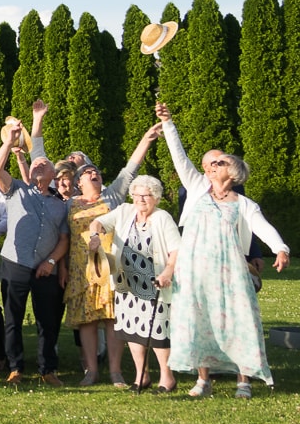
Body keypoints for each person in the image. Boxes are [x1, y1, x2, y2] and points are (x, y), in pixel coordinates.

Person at [155, 102, 290, 397]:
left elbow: (263, 227)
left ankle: (244, 381)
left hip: (230, 272)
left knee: (239, 322)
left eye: (219, 163)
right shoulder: (196, 188)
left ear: (234, 171)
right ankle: (203, 381)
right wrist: (167, 122)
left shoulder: (243, 204)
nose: (211, 166)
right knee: (198, 321)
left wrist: (280, 248)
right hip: (194, 272)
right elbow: (179, 156)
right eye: (212, 164)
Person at [61, 124, 159, 386]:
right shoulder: (69, 204)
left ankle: (116, 371)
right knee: (87, 321)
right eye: (86, 173)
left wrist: (146, 139)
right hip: (81, 269)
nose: (92, 173)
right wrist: (61, 267)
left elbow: (130, 169)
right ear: (78, 183)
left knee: (113, 318)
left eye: (95, 171)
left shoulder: (113, 196)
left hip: (112, 267)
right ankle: (91, 371)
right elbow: (63, 238)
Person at [0, 110, 71, 387]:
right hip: (15, 263)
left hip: (44, 268)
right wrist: (10, 141)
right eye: (34, 163)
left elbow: (64, 239)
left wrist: (51, 262)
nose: (37, 165)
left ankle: (47, 369)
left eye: (43, 164)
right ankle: (15, 368)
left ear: (52, 174)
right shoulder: (16, 189)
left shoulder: (61, 205)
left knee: (47, 321)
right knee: (13, 318)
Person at [88, 174, 181, 391]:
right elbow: (99, 222)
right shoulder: (124, 211)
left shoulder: (163, 218)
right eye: (137, 195)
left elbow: (176, 249)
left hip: (155, 283)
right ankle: (141, 376)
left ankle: (167, 377)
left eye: (146, 195)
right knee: (132, 331)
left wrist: (168, 271)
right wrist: (95, 235)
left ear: (156, 198)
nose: (141, 200)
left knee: (158, 330)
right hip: (126, 283)